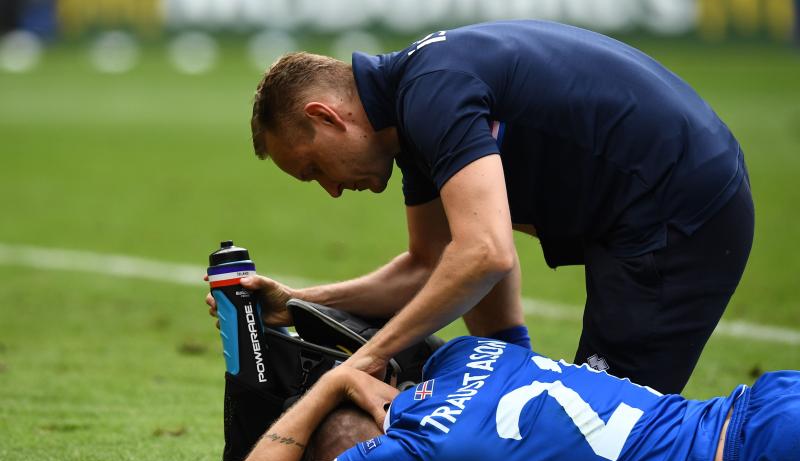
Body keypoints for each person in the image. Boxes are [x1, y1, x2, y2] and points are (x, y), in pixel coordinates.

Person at [210, 20, 755, 394]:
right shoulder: (411, 108)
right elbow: (430, 264)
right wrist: (299, 303)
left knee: (603, 441)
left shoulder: (431, 94)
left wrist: (363, 361)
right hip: (654, 203)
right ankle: (510, 376)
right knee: (571, 433)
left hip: (679, 209)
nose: (329, 190)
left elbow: (485, 254)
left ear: (327, 117)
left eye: (313, 169)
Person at [221, 336, 799, 461]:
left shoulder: (416, 455)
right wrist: (349, 369)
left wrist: (329, 386)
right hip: (762, 402)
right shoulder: (469, 352)